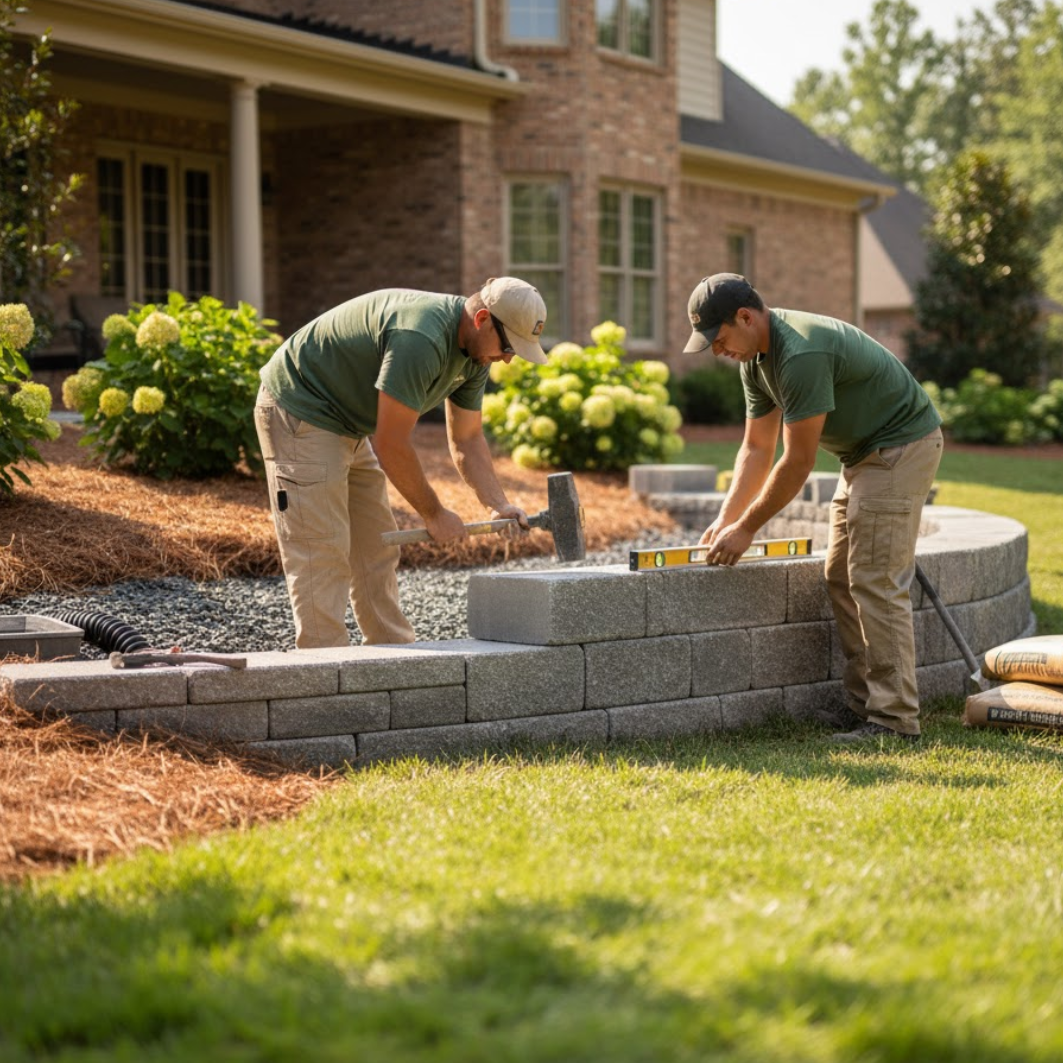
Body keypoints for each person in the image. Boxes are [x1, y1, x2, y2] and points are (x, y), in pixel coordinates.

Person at [683, 273, 943, 744]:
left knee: (876, 580)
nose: (718, 351)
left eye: (718, 339)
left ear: (745, 317)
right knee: (840, 575)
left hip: (901, 446)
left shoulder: (800, 352)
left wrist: (747, 529)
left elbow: (797, 462)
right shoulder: (756, 362)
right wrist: (726, 519)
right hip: (862, 457)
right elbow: (755, 449)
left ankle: (893, 721)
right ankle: (866, 708)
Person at [255, 277, 549, 649]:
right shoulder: (421, 338)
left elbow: (467, 439)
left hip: (350, 420)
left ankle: (391, 655)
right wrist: (434, 513)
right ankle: (324, 671)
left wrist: (498, 504)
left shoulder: (477, 355)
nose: (507, 358)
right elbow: (391, 443)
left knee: (375, 545)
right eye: (508, 346)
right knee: (322, 547)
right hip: (302, 406)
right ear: (482, 318)